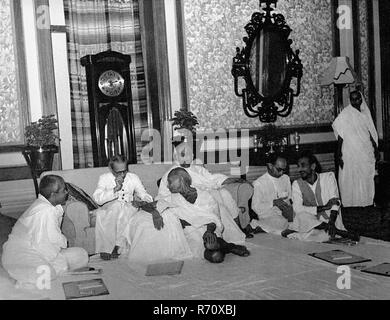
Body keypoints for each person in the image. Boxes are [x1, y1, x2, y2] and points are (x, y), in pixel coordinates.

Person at [128, 167, 250, 264]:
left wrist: (209, 232)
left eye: (170, 182)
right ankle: (227, 247)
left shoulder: (205, 196)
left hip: (209, 230)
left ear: (181, 180)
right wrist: (155, 213)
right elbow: (150, 205)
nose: (168, 186)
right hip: (190, 235)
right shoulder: (172, 198)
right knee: (216, 257)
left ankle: (222, 244)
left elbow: (214, 217)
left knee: (210, 244)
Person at [1, 175, 89, 287]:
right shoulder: (45, 211)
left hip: (43, 251)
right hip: (21, 254)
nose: (67, 192)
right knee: (47, 273)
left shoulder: (49, 206)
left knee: (82, 255)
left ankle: (52, 271)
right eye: (63, 190)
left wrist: (58, 259)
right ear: (53, 194)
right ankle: (21, 281)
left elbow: (52, 242)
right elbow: (43, 245)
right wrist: (56, 262)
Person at [157, 148, 252, 241]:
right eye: (182, 155)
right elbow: (164, 194)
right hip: (191, 203)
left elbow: (213, 179)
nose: (186, 157)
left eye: (189, 154)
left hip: (207, 195)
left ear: (193, 156)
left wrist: (237, 179)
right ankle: (228, 234)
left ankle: (240, 226)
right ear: (176, 156)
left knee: (225, 193)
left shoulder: (198, 169)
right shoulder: (172, 173)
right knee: (220, 205)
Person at [93, 154, 153, 260]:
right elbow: (97, 199)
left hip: (129, 207)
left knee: (127, 210)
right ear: (111, 169)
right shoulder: (104, 178)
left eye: (124, 171)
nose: (122, 174)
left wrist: (142, 201)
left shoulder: (133, 177)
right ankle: (106, 248)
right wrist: (115, 189)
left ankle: (118, 246)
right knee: (116, 207)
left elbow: (143, 193)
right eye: (118, 172)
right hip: (110, 208)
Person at [288, 152, 357, 242]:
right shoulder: (296, 184)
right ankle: (339, 233)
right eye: (298, 166)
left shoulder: (328, 177)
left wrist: (331, 223)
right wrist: (324, 207)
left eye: (303, 165)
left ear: (313, 166)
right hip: (312, 221)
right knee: (301, 216)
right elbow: (297, 209)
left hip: (331, 219)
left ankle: (330, 231)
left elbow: (335, 203)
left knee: (315, 236)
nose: (299, 169)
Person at [332, 90, 379, 207]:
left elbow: (370, 133)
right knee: (351, 178)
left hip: (365, 151)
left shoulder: (365, 113)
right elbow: (340, 137)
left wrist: (376, 149)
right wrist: (339, 155)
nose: (356, 101)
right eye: (353, 99)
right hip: (349, 152)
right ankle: (351, 204)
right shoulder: (346, 114)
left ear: (361, 99)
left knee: (366, 177)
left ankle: (367, 202)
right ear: (350, 100)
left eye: (358, 98)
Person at [250, 153, 297, 235]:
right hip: (269, 216)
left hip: (287, 214)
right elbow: (255, 207)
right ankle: (258, 225)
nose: (282, 173)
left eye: (284, 170)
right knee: (280, 223)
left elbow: (290, 198)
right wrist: (273, 203)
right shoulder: (259, 183)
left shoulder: (286, 178)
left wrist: (290, 210)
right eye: (279, 169)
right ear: (270, 166)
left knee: (304, 216)